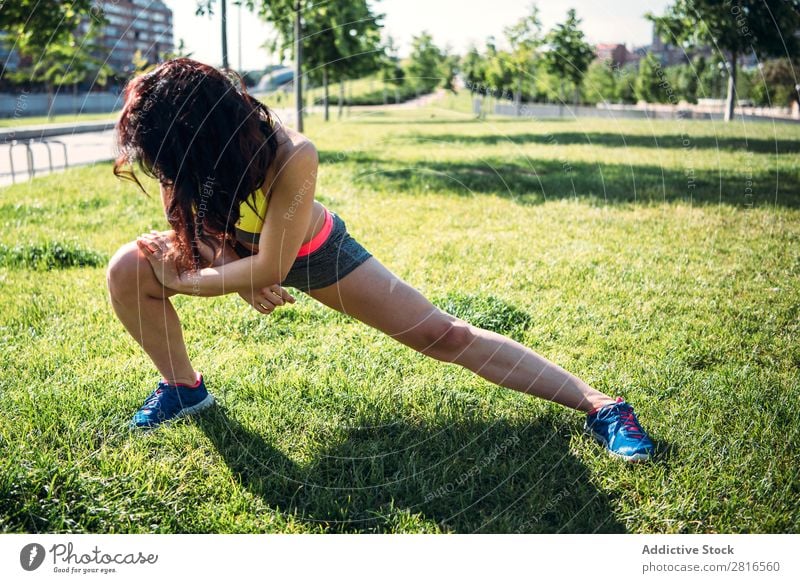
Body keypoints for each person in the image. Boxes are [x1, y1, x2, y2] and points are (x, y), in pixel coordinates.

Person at [107, 58, 655, 462]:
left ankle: (602, 407)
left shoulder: (291, 153)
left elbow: (275, 265)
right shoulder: (181, 153)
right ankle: (183, 388)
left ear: (211, 128)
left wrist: (220, 279)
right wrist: (229, 264)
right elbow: (195, 223)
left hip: (311, 252)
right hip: (238, 250)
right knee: (128, 268)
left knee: (445, 336)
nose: (164, 171)